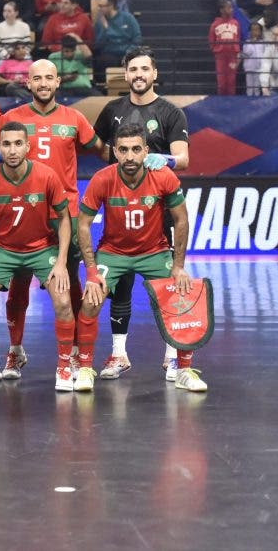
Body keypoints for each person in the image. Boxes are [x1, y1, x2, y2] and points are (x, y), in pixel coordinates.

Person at [76, 123, 206, 392]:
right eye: (123, 150)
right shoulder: (103, 178)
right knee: (90, 299)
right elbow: (83, 224)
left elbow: (181, 220)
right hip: (113, 253)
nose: (130, 156)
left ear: (146, 150)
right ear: (115, 151)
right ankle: (86, 368)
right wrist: (91, 272)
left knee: (181, 296)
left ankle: (182, 369)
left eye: (136, 149)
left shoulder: (164, 177)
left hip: (155, 252)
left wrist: (179, 266)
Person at [0, 59, 104, 378]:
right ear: (27, 83)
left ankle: (72, 353)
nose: (43, 83)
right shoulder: (11, 119)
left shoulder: (74, 118)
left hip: (64, 216)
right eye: (36, 78)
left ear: (58, 82)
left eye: (48, 78)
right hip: (23, 213)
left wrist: (142, 162)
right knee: (18, 281)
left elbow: (101, 149)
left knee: (68, 281)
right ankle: (15, 351)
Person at [92, 47, 190, 380]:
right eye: (132, 69)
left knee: (166, 290)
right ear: (126, 74)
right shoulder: (112, 109)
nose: (138, 75)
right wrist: (114, 161)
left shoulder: (170, 112)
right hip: (121, 207)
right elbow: (97, 145)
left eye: (144, 69)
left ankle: (171, 356)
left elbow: (184, 158)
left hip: (157, 212)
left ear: (154, 73)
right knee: (119, 288)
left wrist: (162, 161)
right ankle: (119, 355)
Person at [0, 122, 74, 391]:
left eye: (18, 144)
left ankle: (64, 367)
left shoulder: (47, 176)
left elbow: (64, 219)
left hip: (42, 249)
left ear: (28, 146)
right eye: (6, 144)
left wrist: (61, 263)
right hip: (2, 250)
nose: (12, 150)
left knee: (63, 300)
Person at [93, 0, 143, 76]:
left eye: (102, 6)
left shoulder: (128, 18)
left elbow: (137, 38)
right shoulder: (100, 23)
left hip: (127, 51)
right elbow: (99, 44)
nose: (99, 9)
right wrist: (105, 28)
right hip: (109, 53)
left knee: (133, 60)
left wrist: (129, 52)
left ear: (111, 6)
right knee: (104, 61)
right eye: (99, 6)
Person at [241, 20, 269, 95]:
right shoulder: (247, 42)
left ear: (260, 31)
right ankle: (249, 102)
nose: (255, 32)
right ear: (250, 32)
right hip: (249, 68)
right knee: (249, 87)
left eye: (257, 30)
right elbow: (245, 54)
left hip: (258, 68)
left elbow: (265, 55)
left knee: (257, 87)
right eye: (253, 30)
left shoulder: (263, 43)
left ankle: (256, 103)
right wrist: (251, 44)